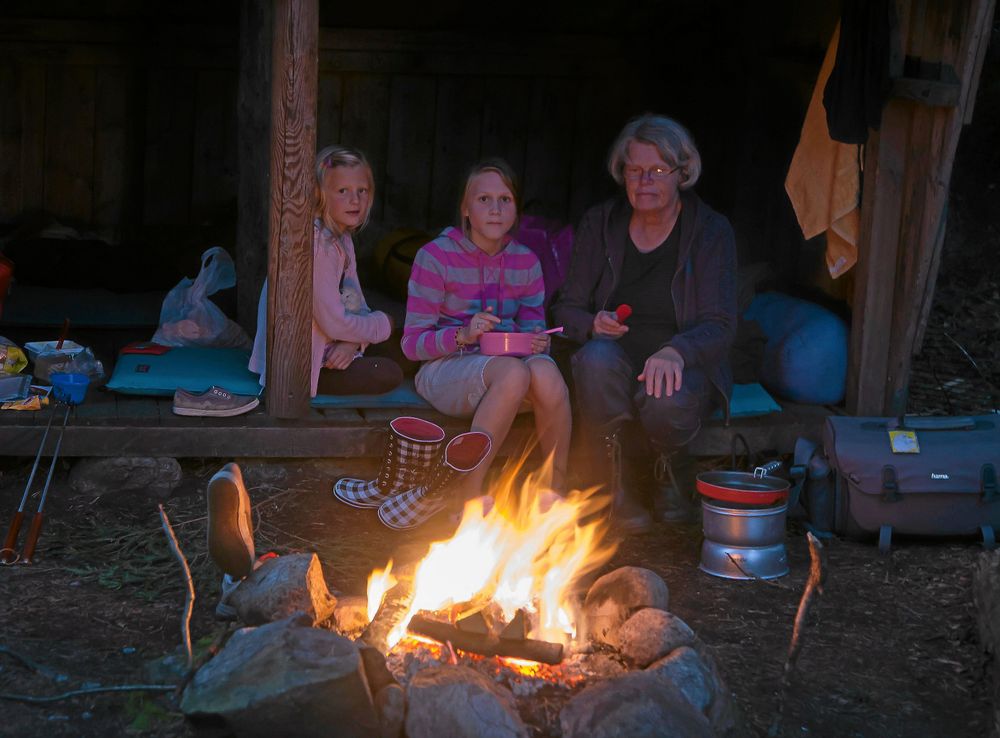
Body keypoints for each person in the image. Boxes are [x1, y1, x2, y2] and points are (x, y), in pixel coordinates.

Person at [551, 114, 737, 533]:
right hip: (614, 359)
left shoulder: (710, 231)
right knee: (595, 359)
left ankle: (668, 474)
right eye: (634, 171)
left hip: (678, 363)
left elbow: (721, 323)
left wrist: (677, 351)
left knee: (667, 392)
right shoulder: (601, 223)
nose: (643, 182)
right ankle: (614, 484)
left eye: (656, 171)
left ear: (682, 173)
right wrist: (591, 323)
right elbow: (566, 309)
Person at [398, 158, 571, 522]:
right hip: (442, 371)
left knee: (547, 373)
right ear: (465, 208)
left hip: (508, 374)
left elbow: (534, 329)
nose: (495, 209)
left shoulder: (526, 261)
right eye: (484, 200)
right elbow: (412, 345)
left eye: (505, 199)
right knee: (513, 374)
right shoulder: (435, 257)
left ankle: (553, 492)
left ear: (516, 207)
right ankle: (469, 496)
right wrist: (464, 334)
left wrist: (537, 342)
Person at [249, 145, 402, 397]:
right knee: (388, 371)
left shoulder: (341, 237)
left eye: (361, 191)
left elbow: (357, 304)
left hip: (335, 342)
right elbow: (334, 322)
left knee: (403, 348)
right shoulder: (318, 244)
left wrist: (352, 343)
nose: (355, 200)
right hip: (303, 364)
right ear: (320, 194)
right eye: (343, 191)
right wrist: (384, 323)